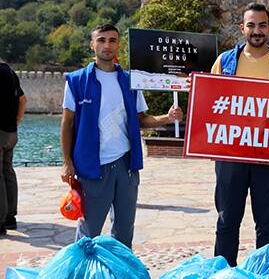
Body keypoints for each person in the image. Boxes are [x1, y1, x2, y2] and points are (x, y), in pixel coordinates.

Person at [60, 24, 182, 248]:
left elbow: (141, 120)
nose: (107, 45)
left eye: (112, 40)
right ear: (92, 44)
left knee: (124, 233)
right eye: (102, 40)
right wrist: (67, 163)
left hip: (126, 165)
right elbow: (67, 123)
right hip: (92, 168)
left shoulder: (130, 81)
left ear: (118, 45)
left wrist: (166, 117)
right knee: (88, 234)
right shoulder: (77, 81)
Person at [209, 3, 269, 266]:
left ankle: (267, 270)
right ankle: (224, 271)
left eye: (262, 25)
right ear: (242, 28)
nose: (256, 31)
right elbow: (211, 104)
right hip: (231, 154)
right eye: (251, 25)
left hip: (268, 156)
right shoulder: (225, 62)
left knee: (267, 222)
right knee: (227, 220)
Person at [0, 58, 27, 236]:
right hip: (11, 132)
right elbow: (23, 100)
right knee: (7, 171)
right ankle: (10, 217)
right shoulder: (9, 72)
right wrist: (16, 121)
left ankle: (0, 222)